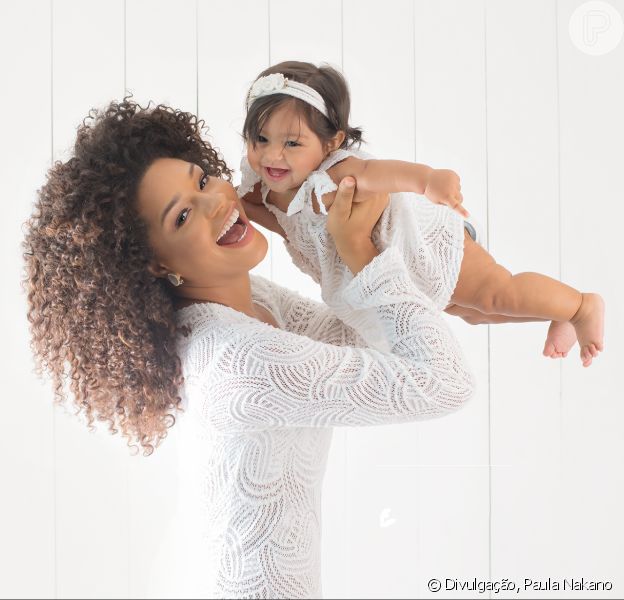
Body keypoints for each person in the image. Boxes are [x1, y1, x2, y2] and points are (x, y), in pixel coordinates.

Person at [22, 97, 476, 599]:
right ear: (153, 264)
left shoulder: (246, 300)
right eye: (181, 218)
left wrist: (332, 237)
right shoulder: (238, 361)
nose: (216, 202)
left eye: (201, 181)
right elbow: (444, 383)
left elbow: (365, 337)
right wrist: (362, 257)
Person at [238, 61, 605, 367]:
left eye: (291, 143)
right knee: (473, 313)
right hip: (404, 273)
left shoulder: (336, 174)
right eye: (261, 139)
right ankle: (557, 310)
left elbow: (381, 174)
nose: (272, 155)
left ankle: (582, 306)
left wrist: (428, 180)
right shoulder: (272, 189)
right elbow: (279, 222)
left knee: (495, 293)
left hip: (423, 246)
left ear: (331, 142)